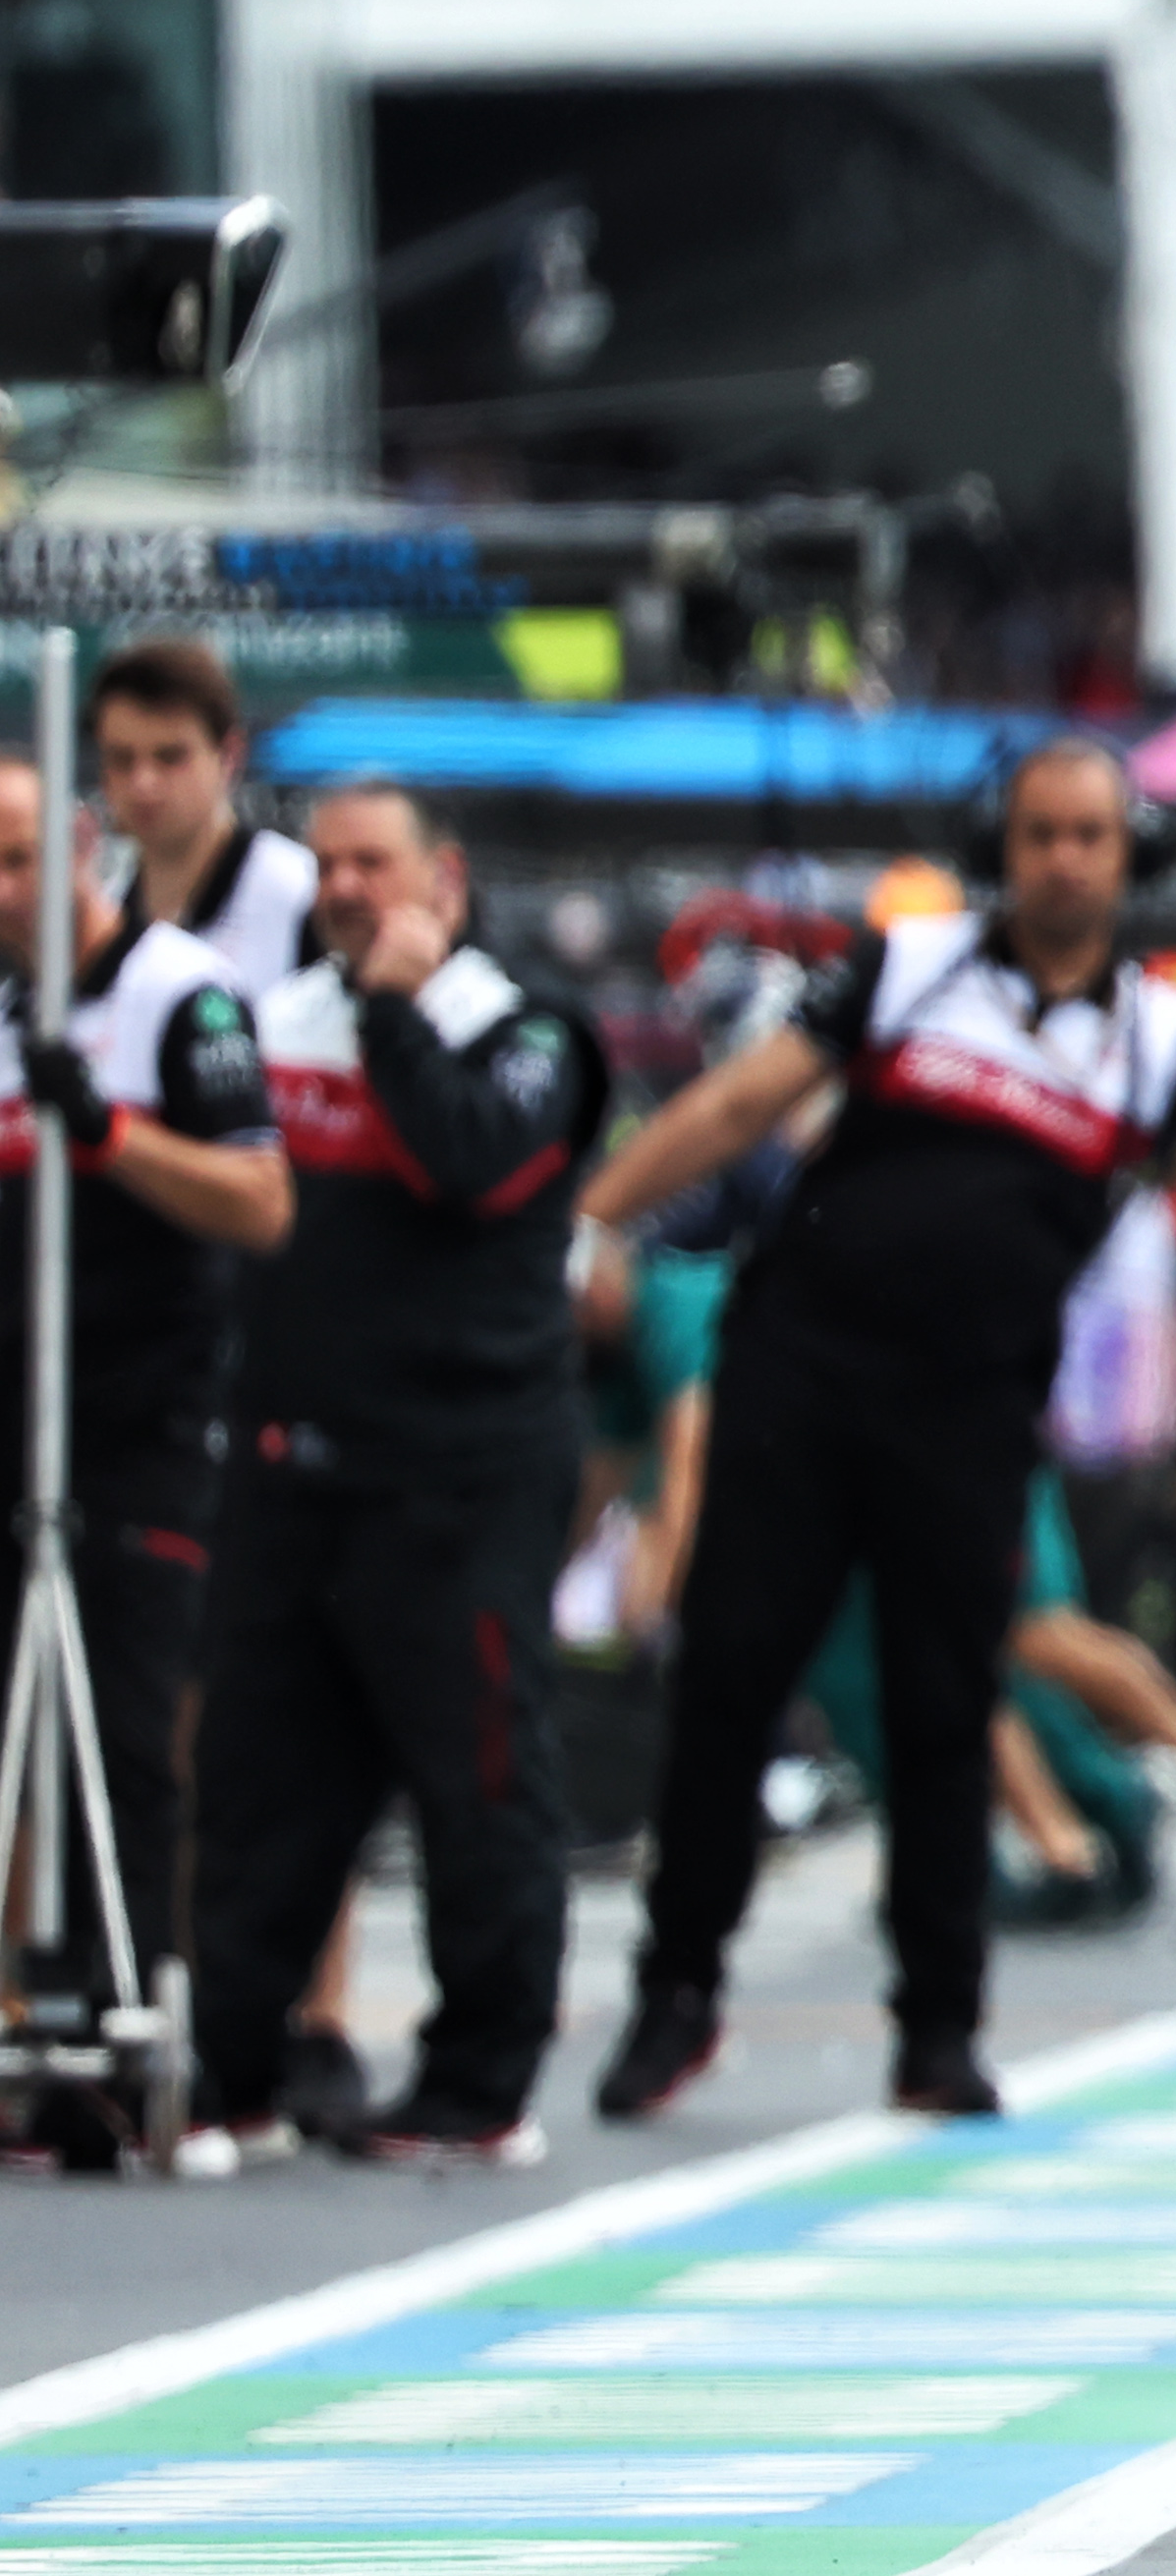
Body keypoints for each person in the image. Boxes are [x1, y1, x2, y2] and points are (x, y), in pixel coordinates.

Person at [578, 734, 1176, 2123]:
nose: (1062, 860)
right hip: (798, 1374)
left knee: (950, 1705)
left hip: (968, 1415)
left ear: (1126, 859)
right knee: (730, 1683)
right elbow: (730, 1104)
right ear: (1001, 851)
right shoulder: (907, 969)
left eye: (1088, 835)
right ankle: (676, 1995)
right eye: (1038, 835)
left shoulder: (1155, 1045)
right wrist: (586, 1222)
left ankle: (938, 2030)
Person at [187, 780, 611, 2164]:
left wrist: (392, 1010)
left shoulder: (530, 1030)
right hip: (293, 1473)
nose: (347, 888)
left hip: (465, 1483)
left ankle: (479, 2085)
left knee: (481, 1784)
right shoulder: (266, 1026)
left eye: (375, 864)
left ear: (446, 876)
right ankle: (232, 2074)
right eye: (327, 866)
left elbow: (474, 1163)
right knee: (261, 1784)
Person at [0, 757, 287, 2163]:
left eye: (14, 859)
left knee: (122, 1736)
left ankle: (132, 2028)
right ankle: (20, 2036)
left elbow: (259, 1199)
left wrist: (109, 1133)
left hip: (140, 1419)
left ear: (82, 852)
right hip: (10, 1406)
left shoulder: (180, 993)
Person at [85, 637, 314, 998]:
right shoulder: (104, 913)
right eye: (122, 759)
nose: (144, 783)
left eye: (170, 757)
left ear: (229, 755)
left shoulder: (299, 897)